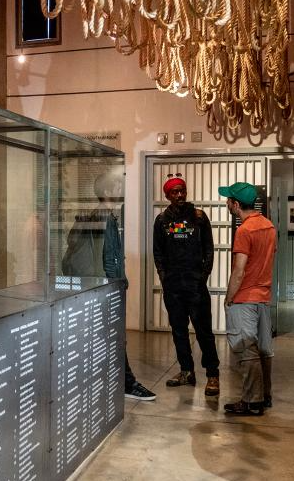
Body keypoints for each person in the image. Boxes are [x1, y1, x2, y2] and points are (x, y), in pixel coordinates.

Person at [152, 174, 220, 396]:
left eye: (182, 190)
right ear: (167, 196)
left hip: (195, 285)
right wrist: (164, 278)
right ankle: (186, 371)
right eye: (175, 192)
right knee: (179, 331)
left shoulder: (199, 217)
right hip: (173, 287)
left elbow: (209, 249)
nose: (180, 195)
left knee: (204, 332)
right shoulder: (161, 221)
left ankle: (212, 374)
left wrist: (203, 276)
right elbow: (158, 253)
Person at [93, 170, 156, 402]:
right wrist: (115, 287)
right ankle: (127, 384)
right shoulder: (104, 218)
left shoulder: (105, 216)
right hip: (107, 290)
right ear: (108, 191)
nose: (122, 191)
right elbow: (109, 258)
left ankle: (122, 382)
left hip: (105, 288)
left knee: (113, 337)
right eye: (118, 187)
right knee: (116, 337)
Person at [219, 182, 276, 416]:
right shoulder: (269, 226)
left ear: (235, 204)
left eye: (228, 200)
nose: (226, 203)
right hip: (263, 297)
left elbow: (239, 270)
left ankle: (252, 402)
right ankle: (265, 396)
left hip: (245, 298)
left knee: (247, 350)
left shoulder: (244, 230)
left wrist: (229, 298)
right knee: (264, 350)